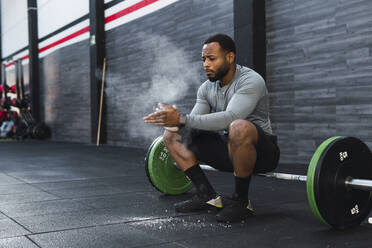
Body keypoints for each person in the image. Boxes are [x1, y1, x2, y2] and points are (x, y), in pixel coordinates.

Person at [144, 33, 280, 223]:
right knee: (172, 135)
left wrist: (181, 119)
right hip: (229, 149)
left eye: (211, 58)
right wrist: (174, 123)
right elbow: (195, 123)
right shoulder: (206, 89)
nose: (206, 64)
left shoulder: (251, 80)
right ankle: (207, 195)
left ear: (230, 57)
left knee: (238, 126)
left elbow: (231, 117)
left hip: (262, 153)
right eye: (204, 59)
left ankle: (241, 202)